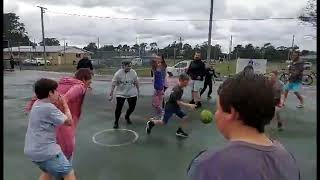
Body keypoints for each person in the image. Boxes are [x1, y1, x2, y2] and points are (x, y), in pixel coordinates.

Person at [187, 72, 300, 180]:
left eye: (218, 109)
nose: (216, 114)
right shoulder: (286, 158)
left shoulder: (207, 165)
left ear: (231, 112)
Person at [25, 68, 92, 169]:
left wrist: (31, 105)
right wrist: (63, 102)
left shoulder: (60, 83)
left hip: (52, 126)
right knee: (67, 160)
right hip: (63, 123)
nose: (89, 85)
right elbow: (68, 96)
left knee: (50, 166)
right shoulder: (80, 86)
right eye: (89, 82)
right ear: (83, 79)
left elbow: (40, 94)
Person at [24, 78, 76, 180]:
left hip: (32, 150)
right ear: (50, 93)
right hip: (46, 152)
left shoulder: (37, 103)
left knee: (48, 172)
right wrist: (65, 105)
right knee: (68, 172)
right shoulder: (48, 108)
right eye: (55, 90)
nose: (57, 93)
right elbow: (69, 122)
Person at [146, 73, 197, 138]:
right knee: (163, 122)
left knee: (184, 117)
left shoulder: (180, 88)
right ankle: (151, 123)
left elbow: (177, 101)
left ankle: (179, 131)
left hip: (175, 107)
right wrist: (189, 105)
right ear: (181, 80)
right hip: (170, 108)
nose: (187, 84)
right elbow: (178, 102)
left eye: (187, 82)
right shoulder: (177, 90)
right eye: (185, 82)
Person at [109, 60, 140, 129]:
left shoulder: (133, 72)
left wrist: (138, 91)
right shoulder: (118, 74)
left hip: (131, 92)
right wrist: (111, 94)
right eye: (128, 66)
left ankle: (127, 116)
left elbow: (136, 82)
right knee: (119, 108)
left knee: (132, 107)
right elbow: (113, 84)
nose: (130, 67)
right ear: (123, 66)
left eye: (130, 66)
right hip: (121, 93)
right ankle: (116, 122)